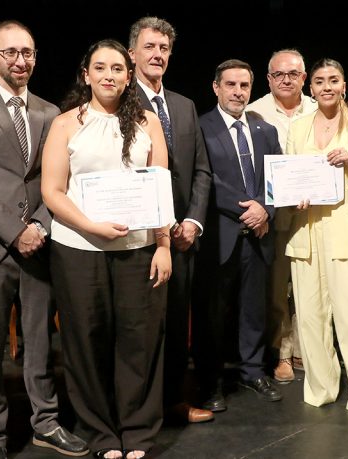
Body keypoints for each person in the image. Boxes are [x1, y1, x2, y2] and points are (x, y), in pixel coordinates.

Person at [0, 21, 88, 459]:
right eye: (10, 52)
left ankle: (46, 423)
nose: (20, 60)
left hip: (40, 245)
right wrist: (16, 230)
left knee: (40, 342)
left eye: (27, 52)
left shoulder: (50, 111)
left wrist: (39, 227)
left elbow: (57, 180)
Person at [41, 39, 171, 459]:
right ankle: (99, 432)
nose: (109, 75)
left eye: (117, 68)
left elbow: (160, 187)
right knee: (86, 340)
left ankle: (138, 431)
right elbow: (52, 191)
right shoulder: (65, 124)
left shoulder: (148, 122)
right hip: (79, 248)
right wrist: (91, 225)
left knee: (139, 340)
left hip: (138, 247)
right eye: (100, 68)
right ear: (86, 75)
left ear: (129, 76)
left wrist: (164, 245)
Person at [285, 58, 348, 423]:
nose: (326, 86)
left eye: (333, 80)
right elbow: (290, 174)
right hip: (306, 229)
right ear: (310, 88)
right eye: (319, 81)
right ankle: (321, 389)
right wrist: (293, 195)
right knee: (310, 318)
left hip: (344, 227)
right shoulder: (298, 126)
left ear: (344, 85)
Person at [127, 16, 214, 424]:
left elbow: (200, 171)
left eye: (164, 48)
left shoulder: (183, 104)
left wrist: (192, 223)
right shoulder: (118, 101)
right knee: (141, 329)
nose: (157, 54)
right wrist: (158, 225)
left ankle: (174, 402)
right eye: (149, 46)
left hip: (183, 237)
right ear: (132, 53)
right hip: (139, 237)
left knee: (178, 325)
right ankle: (139, 410)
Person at [192, 59, 283, 413]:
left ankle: (253, 371)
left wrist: (266, 210)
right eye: (230, 85)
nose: (238, 92)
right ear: (216, 87)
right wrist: (249, 209)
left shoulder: (265, 130)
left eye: (244, 86)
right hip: (220, 236)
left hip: (258, 235)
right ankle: (210, 382)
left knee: (254, 310)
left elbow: (277, 178)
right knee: (213, 314)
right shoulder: (201, 127)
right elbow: (205, 179)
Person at [246, 49, 316, 382]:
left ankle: (306, 349)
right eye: (278, 74)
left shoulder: (320, 108)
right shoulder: (253, 111)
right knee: (276, 287)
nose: (285, 80)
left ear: (304, 77)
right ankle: (282, 352)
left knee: (309, 285)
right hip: (273, 214)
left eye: (293, 74)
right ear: (268, 78)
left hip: (313, 212)